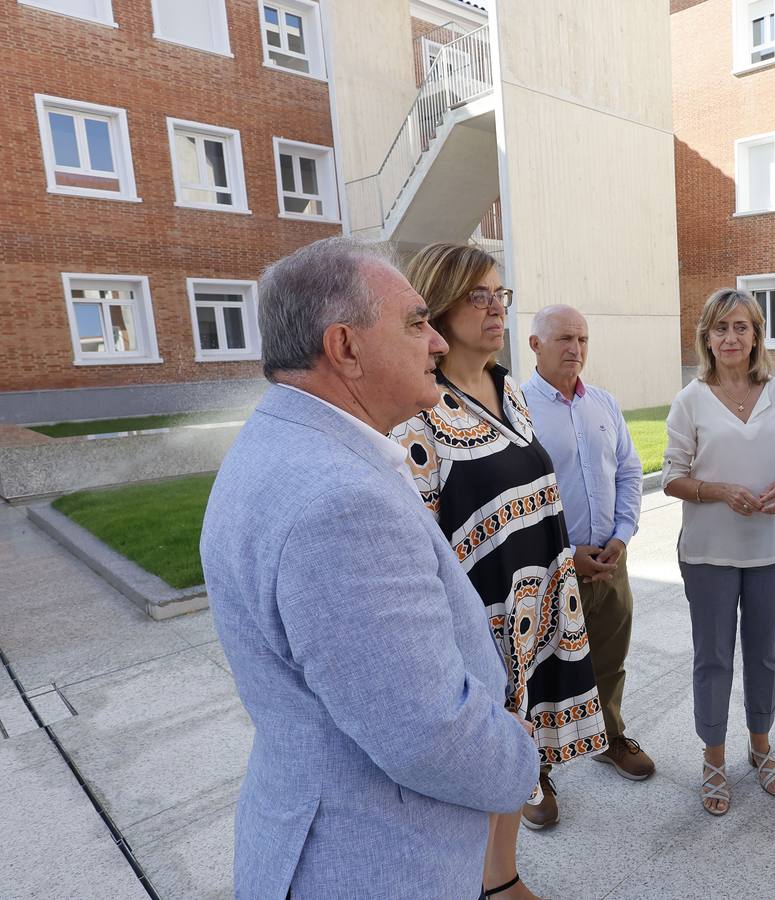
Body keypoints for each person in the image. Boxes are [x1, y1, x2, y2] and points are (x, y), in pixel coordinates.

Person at [201, 237, 539, 899]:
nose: (437, 342)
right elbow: (427, 734)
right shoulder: (341, 504)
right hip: (373, 863)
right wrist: (517, 751)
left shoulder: (279, 442)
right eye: (416, 322)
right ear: (345, 347)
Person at [391, 243, 606, 899]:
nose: (494, 309)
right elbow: (416, 534)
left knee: (518, 743)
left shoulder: (509, 387)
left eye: (499, 294)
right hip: (477, 617)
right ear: (442, 305)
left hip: (536, 602)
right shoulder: (418, 408)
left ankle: (498, 874)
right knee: (484, 748)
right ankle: (492, 878)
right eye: (477, 295)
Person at [662, 288, 775, 816]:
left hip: (772, 546)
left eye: (741, 327)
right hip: (709, 553)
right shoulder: (691, 399)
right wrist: (720, 491)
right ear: (707, 336)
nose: (731, 337)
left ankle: (761, 745)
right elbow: (672, 478)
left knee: (765, 653)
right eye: (721, 327)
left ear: (756, 335)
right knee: (714, 657)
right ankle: (714, 757)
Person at [522, 304, 656, 787]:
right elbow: (522, 498)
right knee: (541, 667)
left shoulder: (603, 403)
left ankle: (608, 736)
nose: (574, 349)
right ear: (535, 345)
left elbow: (629, 470)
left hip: (609, 561)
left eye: (581, 339)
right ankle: (534, 768)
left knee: (609, 657)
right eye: (563, 339)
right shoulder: (516, 409)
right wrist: (566, 552)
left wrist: (622, 536)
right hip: (549, 566)